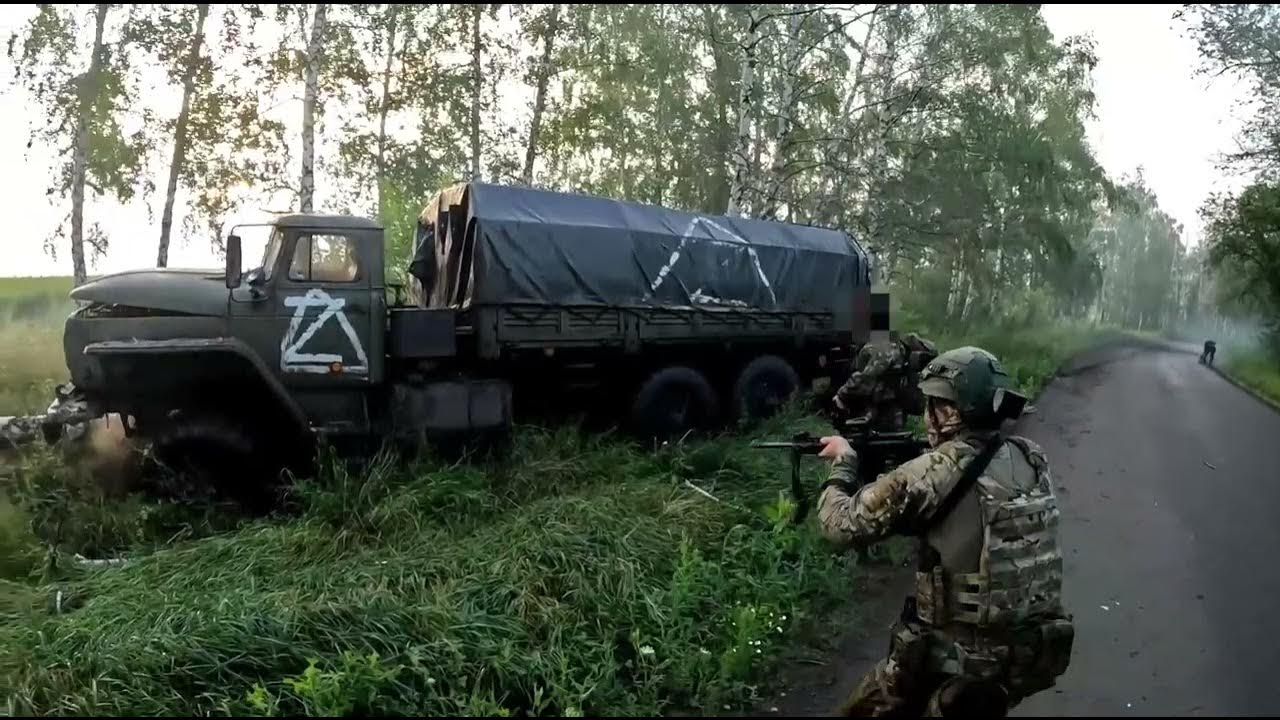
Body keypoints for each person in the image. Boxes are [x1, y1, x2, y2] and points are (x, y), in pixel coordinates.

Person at [815, 346, 1073, 717]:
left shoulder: (932, 473)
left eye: (932, 403)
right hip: (1023, 661)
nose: (925, 414)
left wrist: (844, 463)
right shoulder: (1031, 455)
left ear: (948, 410)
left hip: (953, 661)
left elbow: (838, 525)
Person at [833, 332, 938, 431]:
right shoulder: (884, 346)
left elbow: (867, 377)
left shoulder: (882, 346)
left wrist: (842, 396)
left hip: (897, 398)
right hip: (890, 399)